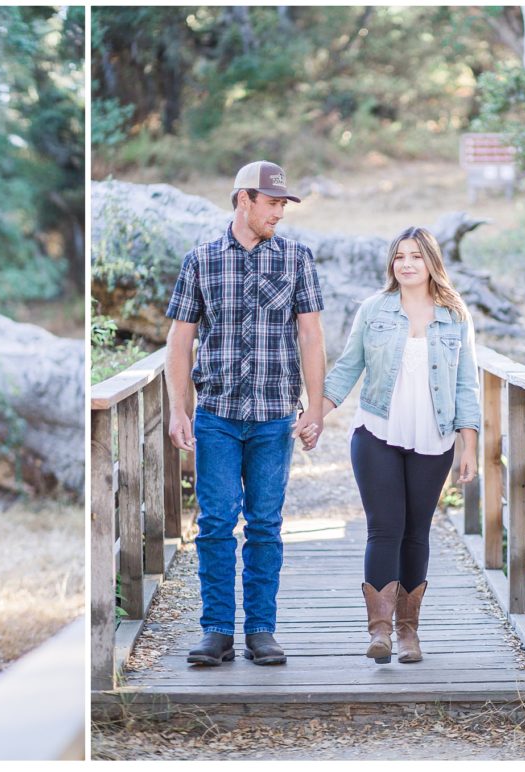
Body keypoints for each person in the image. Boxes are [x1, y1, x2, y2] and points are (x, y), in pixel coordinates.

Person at [165, 160, 326, 667]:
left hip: (274, 414)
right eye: (272, 202)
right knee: (214, 523)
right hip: (217, 413)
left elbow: (311, 335)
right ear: (244, 200)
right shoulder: (202, 260)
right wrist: (177, 411)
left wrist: (316, 408)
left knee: (264, 525)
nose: (279, 212)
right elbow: (180, 340)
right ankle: (216, 630)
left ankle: (260, 630)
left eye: (283, 204)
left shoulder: (297, 259)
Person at [314, 226, 480, 664]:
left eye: (416, 256)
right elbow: (348, 367)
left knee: (415, 532)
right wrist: (316, 414)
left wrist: (470, 445)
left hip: (435, 437)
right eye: (399, 256)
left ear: (431, 263)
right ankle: (380, 633)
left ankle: (409, 634)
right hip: (377, 434)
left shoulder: (455, 315)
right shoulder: (374, 310)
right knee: (384, 528)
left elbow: (467, 384)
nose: (406, 264)